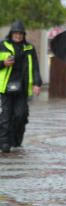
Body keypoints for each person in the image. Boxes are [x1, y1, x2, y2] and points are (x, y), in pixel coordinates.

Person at [0, 20, 42, 153]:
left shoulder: (29, 48)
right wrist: (3, 63)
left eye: (20, 33)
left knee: (21, 115)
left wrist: (36, 83)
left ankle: (15, 138)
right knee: (6, 115)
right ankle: (4, 142)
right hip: (5, 87)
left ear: (24, 35)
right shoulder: (2, 45)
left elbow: (35, 67)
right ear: (11, 33)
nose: (18, 36)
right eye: (16, 33)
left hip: (23, 88)